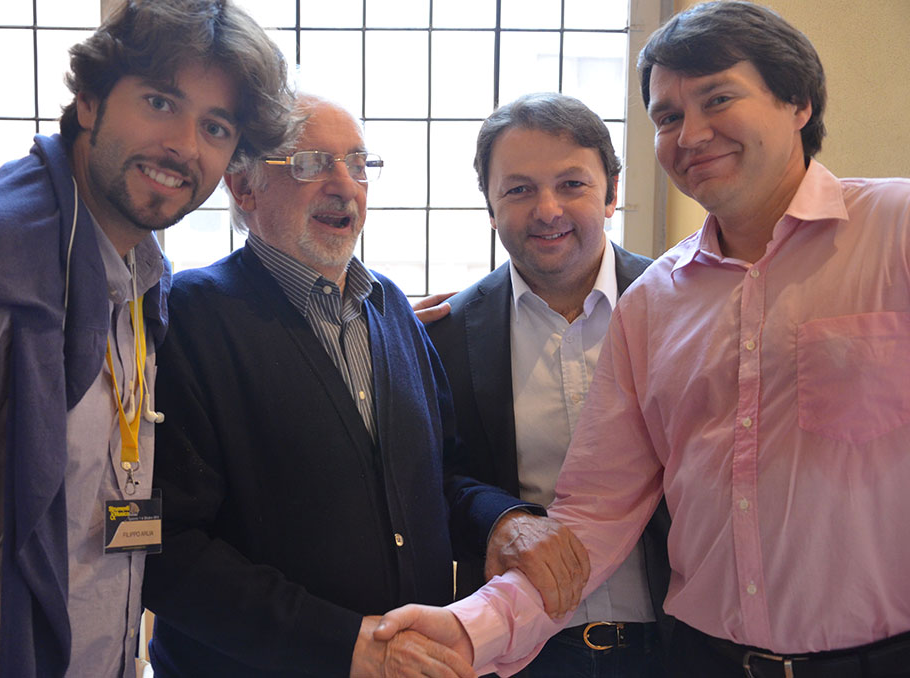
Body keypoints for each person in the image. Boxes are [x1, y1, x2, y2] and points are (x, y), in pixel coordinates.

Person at [373, 2, 910, 676]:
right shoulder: (655, 301)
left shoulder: (894, 230)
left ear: (797, 101)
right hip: (706, 661)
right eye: (668, 116)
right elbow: (596, 511)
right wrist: (469, 629)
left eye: (718, 99)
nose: (693, 134)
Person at [0, 2, 291, 676]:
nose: (185, 146)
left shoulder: (140, 270)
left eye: (215, 127)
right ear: (90, 100)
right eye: (160, 102)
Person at [140, 94, 473, 678]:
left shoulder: (390, 308)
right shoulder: (189, 317)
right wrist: (346, 644)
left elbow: (442, 475)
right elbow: (162, 545)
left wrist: (508, 519)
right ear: (243, 188)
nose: (344, 186)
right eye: (311, 164)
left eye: (358, 163)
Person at [427, 92, 670, 678]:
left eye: (571, 184)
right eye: (518, 189)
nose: (547, 210)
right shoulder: (445, 334)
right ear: (489, 207)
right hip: (522, 654)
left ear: (611, 192)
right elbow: (435, 477)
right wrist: (501, 519)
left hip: (677, 646)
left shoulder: (683, 305)